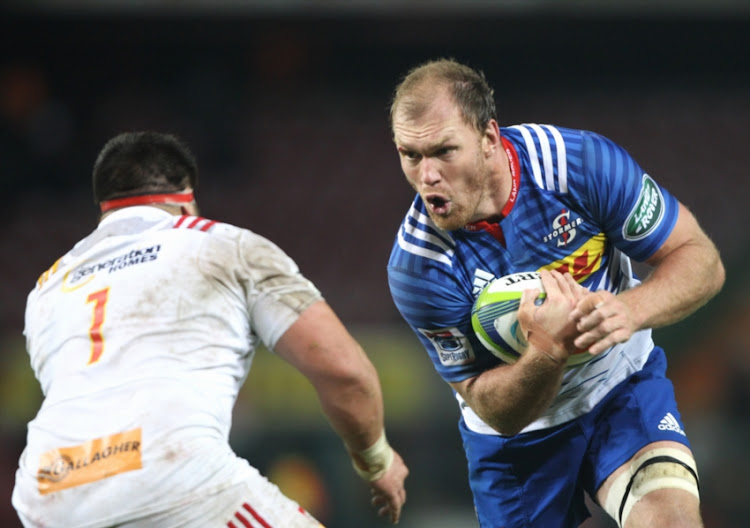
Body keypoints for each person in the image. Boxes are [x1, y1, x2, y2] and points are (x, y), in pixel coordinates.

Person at [386, 58, 724, 528]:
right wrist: (547, 350)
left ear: (488, 139)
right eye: (410, 155)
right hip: (517, 442)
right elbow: (492, 408)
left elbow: (700, 259)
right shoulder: (418, 266)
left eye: (444, 151)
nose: (427, 176)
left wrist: (629, 310)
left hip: (619, 386)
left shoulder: (578, 165)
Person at [13, 131, 408, 528]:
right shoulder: (224, 246)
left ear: (103, 209)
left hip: (49, 492)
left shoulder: (47, 287)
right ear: (186, 196)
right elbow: (345, 373)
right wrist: (377, 462)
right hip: (173, 473)